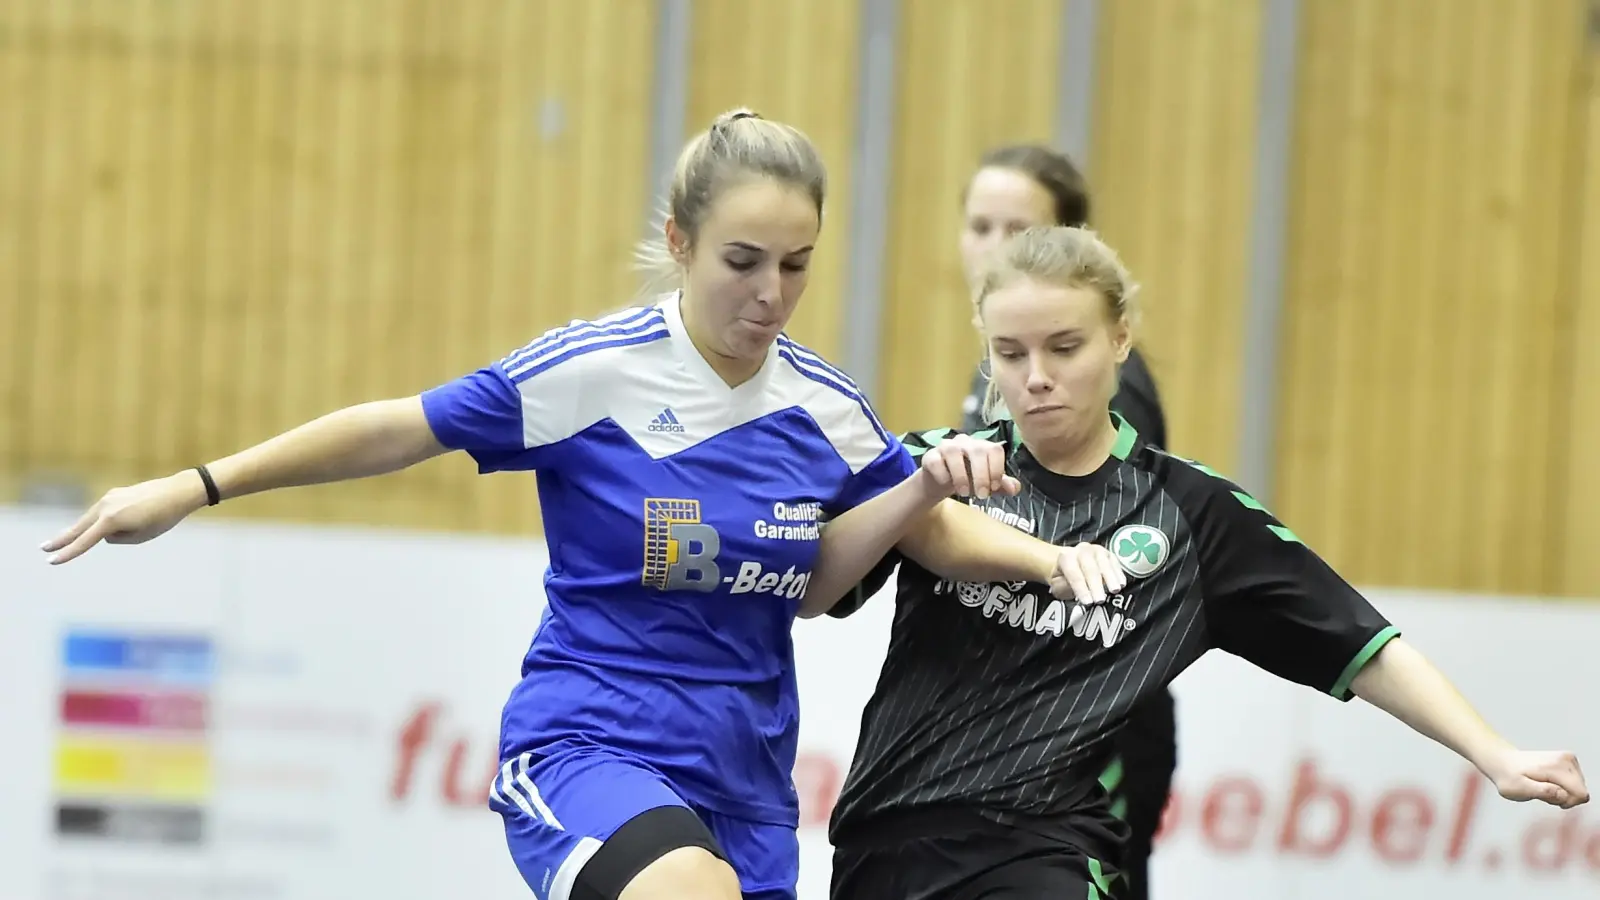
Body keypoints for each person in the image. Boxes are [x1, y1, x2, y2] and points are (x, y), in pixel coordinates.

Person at [37, 111, 1111, 900]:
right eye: (742, 261)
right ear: (680, 241)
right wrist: (195, 484)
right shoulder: (590, 373)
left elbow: (872, 557)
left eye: (796, 265)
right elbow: (394, 426)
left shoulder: (826, 409)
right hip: (590, 746)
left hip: (745, 783)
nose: (770, 294)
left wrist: (1042, 558)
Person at [824, 226, 1589, 900]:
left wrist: (1495, 753)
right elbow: (820, 578)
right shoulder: (934, 470)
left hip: (1044, 846)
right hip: (883, 841)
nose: (1036, 377)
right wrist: (914, 491)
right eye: (1010, 352)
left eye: (1065, 347)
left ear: (1120, 338)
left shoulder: (1193, 515)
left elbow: (1362, 645)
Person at [953, 143, 1175, 899]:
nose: (993, 247)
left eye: (1017, 229)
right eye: (979, 225)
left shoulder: (1099, 390)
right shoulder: (1009, 372)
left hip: (1094, 731)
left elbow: (1100, 554)